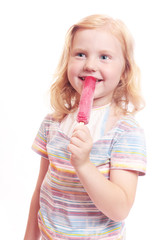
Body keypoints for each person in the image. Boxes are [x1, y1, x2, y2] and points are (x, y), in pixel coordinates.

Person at [24, 14, 147, 240]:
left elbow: (120, 209)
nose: (90, 65)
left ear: (125, 71)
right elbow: (40, 192)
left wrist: (83, 164)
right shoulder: (53, 122)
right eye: (80, 54)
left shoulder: (126, 132)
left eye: (104, 57)